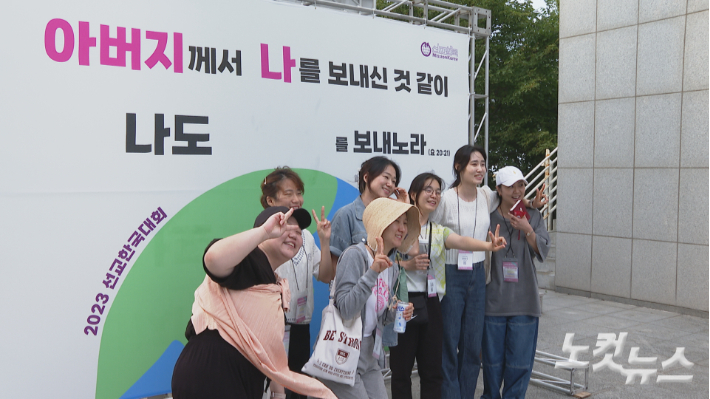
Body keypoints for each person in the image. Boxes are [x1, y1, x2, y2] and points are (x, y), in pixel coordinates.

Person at [171, 207, 335, 399]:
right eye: (285, 228)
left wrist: (278, 391)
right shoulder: (247, 259)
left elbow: (269, 346)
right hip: (213, 373)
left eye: (299, 233)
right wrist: (264, 232)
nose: (294, 236)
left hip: (240, 380)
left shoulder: (273, 285)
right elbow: (213, 259)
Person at [430, 145, 546, 399]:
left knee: (472, 347)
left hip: (477, 275)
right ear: (459, 167)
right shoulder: (447, 199)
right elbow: (432, 230)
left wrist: (530, 203)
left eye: (482, 163)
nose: (480, 168)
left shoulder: (486, 196)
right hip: (451, 273)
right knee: (449, 344)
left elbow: (511, 196)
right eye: (474, 164)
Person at [389, 172, 508, 399]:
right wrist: (407, 263)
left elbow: (462, 241)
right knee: (401, 370)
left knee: (433, 370)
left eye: (437, 191)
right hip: (402, 301)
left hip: (432, 302)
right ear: (414, 194)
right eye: (428, 190)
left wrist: (487, 246)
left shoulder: (438, 230)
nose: (434, 195)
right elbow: (405, 253)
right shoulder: (397, 226)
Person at [315, 198, 416, 399]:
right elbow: (345, 310)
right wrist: (372, 272)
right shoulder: (355, 255)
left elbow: (378, 316)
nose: (402, 228)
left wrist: (397, 312)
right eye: (397, 221)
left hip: (369, 352)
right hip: (342, 349)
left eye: (405, 223)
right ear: (381, 222)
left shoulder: (393, 265)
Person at [260, 167, 336, 399]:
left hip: (301, 323)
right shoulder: (262, 233)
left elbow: (325, 276)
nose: (297, 199)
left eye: (299, 192)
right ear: (271, 200)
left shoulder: (306, 236)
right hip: (273, 326)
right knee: (274, 389)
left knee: (298, 390)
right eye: (289, 193)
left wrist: (324, 241)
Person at [481, 166, 550, 399]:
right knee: (491, 365)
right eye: (510, 186)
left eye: (521, 185)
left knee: (520, 365)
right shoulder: (486, 218)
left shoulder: (533, 216)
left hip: (525, 301)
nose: (517, 191)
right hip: (493, 303)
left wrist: (527, 228)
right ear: (498, 189)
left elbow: (543, 251)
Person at [329, 156, 408, 266]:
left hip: (385, 282)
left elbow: (408, 247)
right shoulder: (346, 214)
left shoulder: (391, 218)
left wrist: (403, 208)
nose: (390, 184)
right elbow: (335, 268)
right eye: (386, 177)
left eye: (394, 181)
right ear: (366, 177)